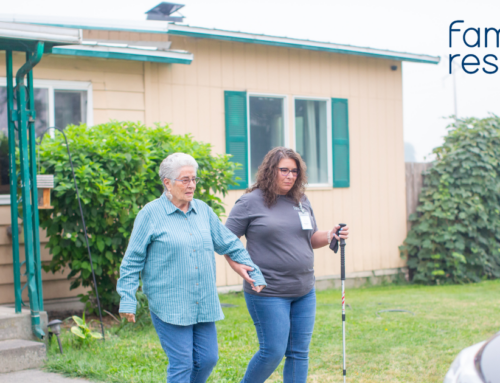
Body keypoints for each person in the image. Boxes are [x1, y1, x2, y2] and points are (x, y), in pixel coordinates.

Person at [117, 153, 266, 383]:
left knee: (207, 359)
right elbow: (132, 260)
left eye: (194, 179)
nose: (192, 185)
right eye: (184, 180)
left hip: (202, 300)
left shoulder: (203, 211)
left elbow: (229, 243)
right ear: (167, 182)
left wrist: (253, 271)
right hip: (170, 303)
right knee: (182, 363)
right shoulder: (150, 214)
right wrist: (127, 298)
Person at [225, 147, 349, 383]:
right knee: (272, 352)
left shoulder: (301, 200)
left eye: (294, 171)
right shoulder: (251, 201)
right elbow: (226, 239)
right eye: (284, 170)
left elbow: (310, 238)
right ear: (271, 171)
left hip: (304, 290)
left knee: (299, 353)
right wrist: (237, 266)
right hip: (268, 292)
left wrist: (330, 234)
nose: (290, 176)